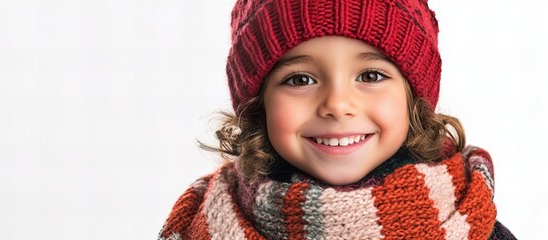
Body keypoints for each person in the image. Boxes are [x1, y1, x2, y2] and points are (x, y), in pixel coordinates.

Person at [159, 0, 516, 239]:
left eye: (371, 76)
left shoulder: (472, 225)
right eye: (300, 79)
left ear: (414, 99)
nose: (337, 105)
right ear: (258, 104)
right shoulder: (208, 224)